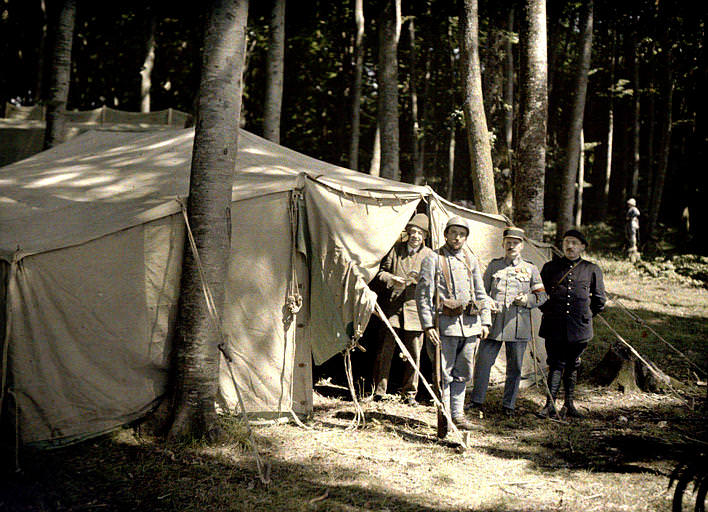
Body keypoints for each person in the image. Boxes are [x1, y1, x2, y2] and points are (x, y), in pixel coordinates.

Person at [415, 216, 491, 430]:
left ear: (466, 238)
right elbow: (423, 295)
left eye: (462, 234)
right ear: (446, 234)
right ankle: (445, 418)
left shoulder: (470, 259)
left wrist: (485, 321)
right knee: (443, 375)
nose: (457, 238)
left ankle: (458, 416)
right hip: (444, 327)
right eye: (453, 233)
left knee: (463, 373)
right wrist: (428, 325)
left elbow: (480, 292)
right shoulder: (433, 259)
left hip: (470, 326)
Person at [470, 227, 547, 418]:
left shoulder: (531, 269)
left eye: (515, 242)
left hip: (518, 324)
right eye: (508, 242)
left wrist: (528, 301)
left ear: (522, 246)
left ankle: (508, 405)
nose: (511, 246)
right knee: (483, 363)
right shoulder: (494, 266)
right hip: (494, 323)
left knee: (515, 367)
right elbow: (482, 293)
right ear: (503, 244)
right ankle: (476, 401)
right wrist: (488, 304)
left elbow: (542, 296)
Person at [537, 229, 606, 419]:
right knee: (555, 363)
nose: (570, 246)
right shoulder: (550, 267)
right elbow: (539, 295)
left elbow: (600, 300)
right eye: (567, 242)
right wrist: (549, 311)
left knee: (572, 364)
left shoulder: (592, 269)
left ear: (582, 247)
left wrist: (585, 316)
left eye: (575, 243)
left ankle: (569, 405)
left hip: (579, 328)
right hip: (554, 325)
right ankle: (549, 405)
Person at [372, 213, 434, 405]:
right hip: (393, 308)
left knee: (414, 353)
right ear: (407, 233)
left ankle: (409, 394)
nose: (415, 235)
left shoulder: (430, 255)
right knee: (385, 350)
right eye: (412, 231)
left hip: (416, 310)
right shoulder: (396, 250)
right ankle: (379, 391)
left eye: (419, 233)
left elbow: (435, 283)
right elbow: (380, 273)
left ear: (424, 236)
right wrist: (391, 279)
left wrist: (421, 283)